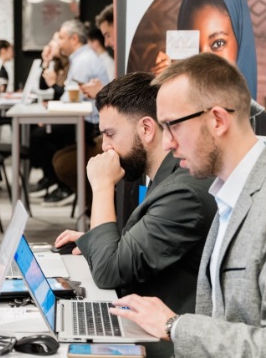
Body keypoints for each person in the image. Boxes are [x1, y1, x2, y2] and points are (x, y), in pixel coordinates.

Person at [110, 53, 266, 357]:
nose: (166, 143)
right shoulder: (232, 197)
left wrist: (175, 326)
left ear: (217, 120)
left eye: (172, 126)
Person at [53, 72, 216, 314]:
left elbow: (108, 273)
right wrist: (96, 242)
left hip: (167, 328)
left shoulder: (183, 193)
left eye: (110, 134)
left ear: (146, 129)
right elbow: (136, 247)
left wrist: (102, 186)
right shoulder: (168, 175)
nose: (105, 146)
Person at [177, 0, 266, 170]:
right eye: (194, 47)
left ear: (240, 42)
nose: (204, 61)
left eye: (218, 43)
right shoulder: (171, 130)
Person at [30, 19, 109, 206]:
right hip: (86, 119)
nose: (58, 43)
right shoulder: (80, 58)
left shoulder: (83, 61)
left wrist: (54, 90)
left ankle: (63, 185)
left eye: (61, 38)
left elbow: (70, 98)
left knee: (39, 136)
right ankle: (59, 182)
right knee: (42, 132)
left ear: (74, 39)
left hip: (90, 124)